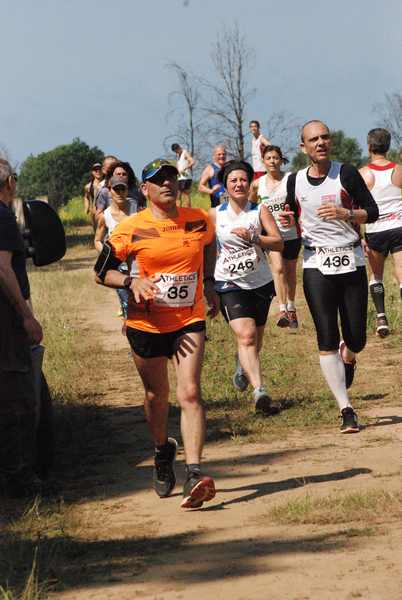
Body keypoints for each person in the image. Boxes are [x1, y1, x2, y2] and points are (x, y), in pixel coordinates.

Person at [95, 158, 219, 509]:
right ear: (144, 189)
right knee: (156, 395)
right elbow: (101, 273)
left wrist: (208, 281)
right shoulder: (129, 228)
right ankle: (162, 450)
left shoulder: (198, 220)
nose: (167, 184)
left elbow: (210, 244)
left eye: (172, 178)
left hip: (188, 319)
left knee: (190, 392)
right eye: (158, 180)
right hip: (145, 323)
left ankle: (194, 472)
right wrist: (132, 282)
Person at [279, 120, 379, 433]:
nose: (320, 143)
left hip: (350, 258)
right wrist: (286, 220)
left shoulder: (346, 173)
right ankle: (346, 409)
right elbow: (290, 217)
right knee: (325, 336)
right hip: (316, 263)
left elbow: (372, 211)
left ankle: (348, 356)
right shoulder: (294, 181)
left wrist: (347, 214)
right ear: (303, 146)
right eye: (314, 139)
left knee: (356, 339)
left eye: (325, 137)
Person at [210, 159, 283, 413]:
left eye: (243, 179)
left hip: (260, 283)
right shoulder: (214, 215)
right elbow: (208, 251)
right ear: (224, 186)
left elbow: (278, 242)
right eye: (233, 180)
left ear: (249, 182)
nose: (239, 184)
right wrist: (208, 285)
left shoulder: (259, 210)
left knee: (255, 339)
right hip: (229, 283)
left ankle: (242, 365)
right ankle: (259, 391)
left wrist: (255, 238)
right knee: (247, 335)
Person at [0, 158, 43, 496]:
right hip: (5, 324)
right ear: (10, 182)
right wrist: (26, 315)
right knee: (18, 399)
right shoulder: (2, 215)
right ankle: (19, 479)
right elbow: (3, 269)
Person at [250, 145, 302, 328]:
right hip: (272, 236)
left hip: (292, 234)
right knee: (278, 269)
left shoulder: (291, 179)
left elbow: (301, 204)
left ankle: (292, 307)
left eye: (276, 158)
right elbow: (251, 207)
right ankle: (282, 310)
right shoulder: (257, 184)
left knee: (289, 272)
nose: (272, 161)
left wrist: (295, 218)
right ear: (263, 161)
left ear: (281, 160)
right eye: (269, 158)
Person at [359, 128, 402, 337]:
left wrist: (358, 236)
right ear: (388, 146)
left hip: (375, 230)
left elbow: (356, 207)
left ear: (369, 147)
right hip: (398, 227)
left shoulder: (363, 173)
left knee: (376, 275)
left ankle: (381, 318)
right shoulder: (399, 170)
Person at [95, 175, 140, 318]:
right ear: (109, 191)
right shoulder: (105, 216)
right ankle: (128, 325)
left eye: (123, 189)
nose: (120, 192)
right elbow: (97, 240)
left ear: (127, 190)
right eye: (116, 189)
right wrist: (107, 255)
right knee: (127, 303)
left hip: (137, 263)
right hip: (118, 267)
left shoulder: (136, 209)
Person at [84, 162, 103, 230]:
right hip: (94, 212)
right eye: (95, 170)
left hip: (105, 211)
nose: (98, 171)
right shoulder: (88, 186)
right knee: (96, 231)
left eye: (100, 169)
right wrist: (87, 207)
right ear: (92, 172)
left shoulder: (107, 184)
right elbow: (86, 197)